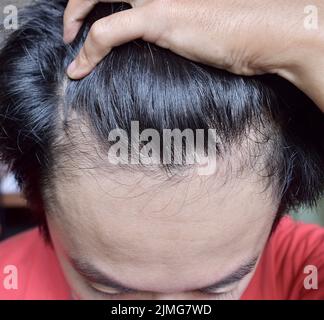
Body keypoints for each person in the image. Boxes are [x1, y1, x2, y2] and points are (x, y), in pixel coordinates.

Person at [0, 0, 323, 300]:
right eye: (108, 290)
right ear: (37, 197)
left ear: (279, 207)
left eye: (217, 289)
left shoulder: (307, 269)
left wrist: (306, 40)